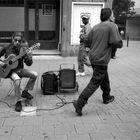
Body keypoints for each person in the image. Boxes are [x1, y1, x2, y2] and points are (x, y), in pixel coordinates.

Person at [73, 8, 123, 116]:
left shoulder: (95, 27)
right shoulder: (112, 25)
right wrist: (114, 47)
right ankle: (79, 103)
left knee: (104, 78)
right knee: (95, 82)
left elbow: (86, 41)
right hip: (101, 59)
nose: (114, 17)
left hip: (94, 58)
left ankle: (107, 97)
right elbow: (117, 43)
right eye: (113, 15)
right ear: (109, 16)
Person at [0, 32, 38, 112]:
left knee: (34, 74)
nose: (17, 42)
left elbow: (28, 63)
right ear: (12, 39)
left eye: (19, 41)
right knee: (17, 81)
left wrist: (30, 57)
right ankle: (18, 101)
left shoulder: (23, 50)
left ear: (21, 42)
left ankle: (25, 92)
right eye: (15, 40)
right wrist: (1, 63)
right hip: (9, 72)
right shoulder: (6, 48)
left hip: (20, 70)